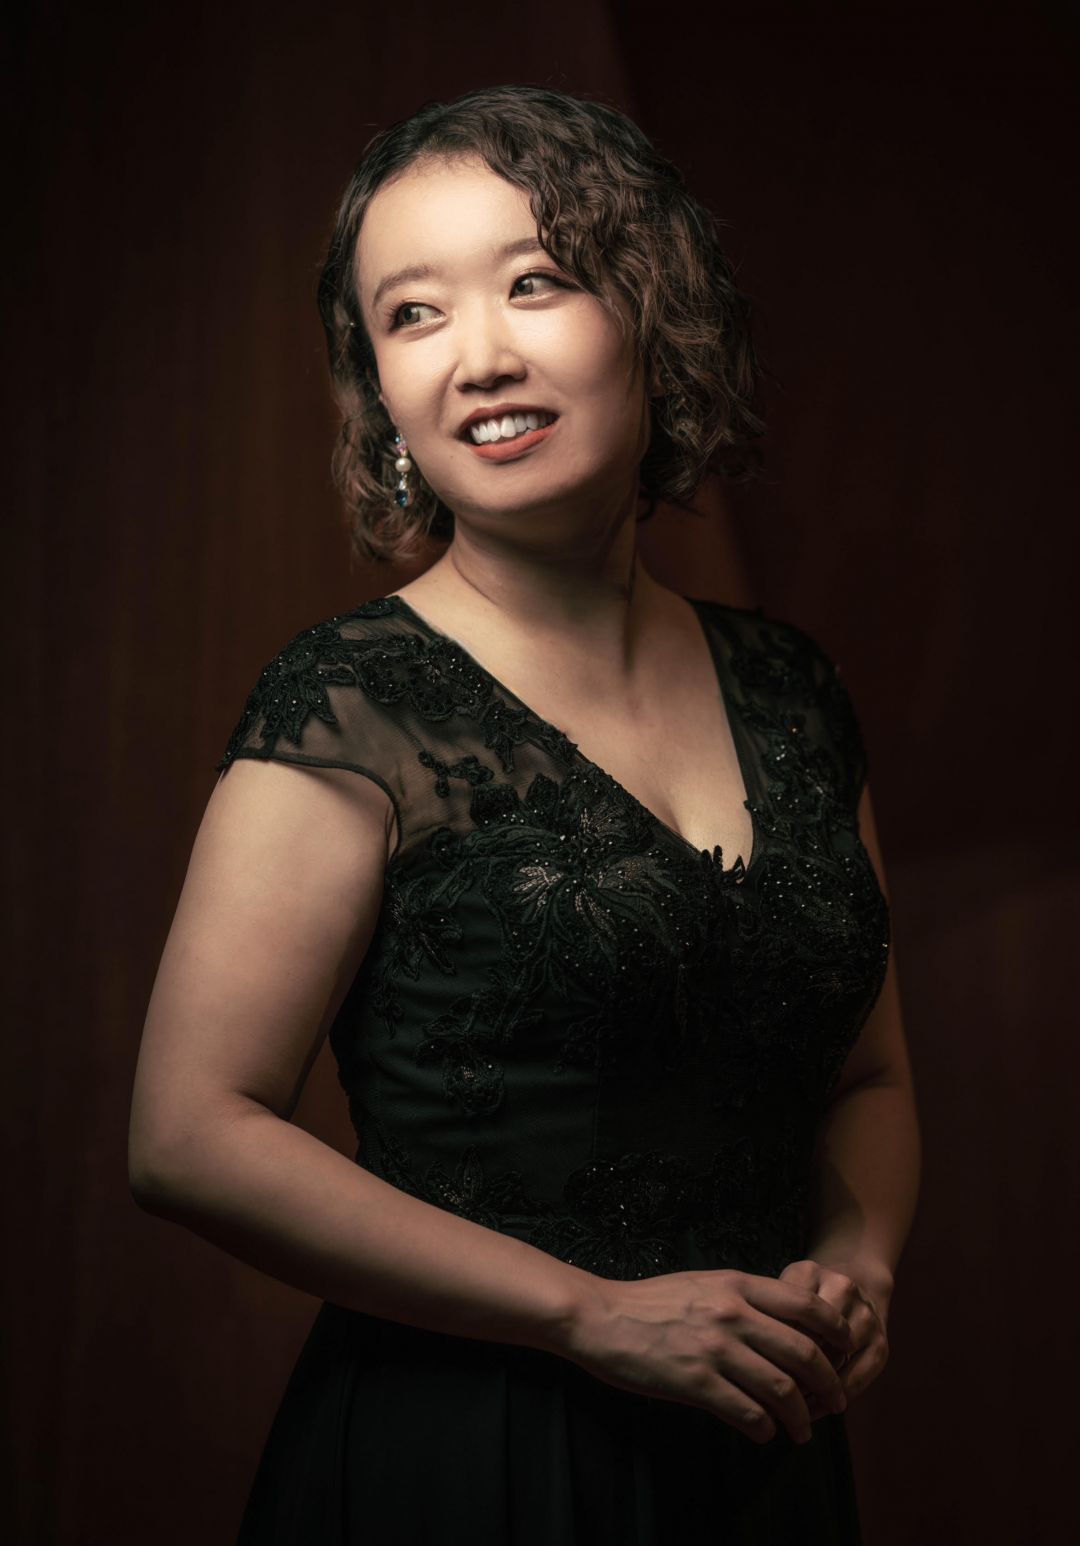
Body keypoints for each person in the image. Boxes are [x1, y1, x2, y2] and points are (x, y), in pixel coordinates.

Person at [129, 84, 920, 1545]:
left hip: (762, 1444)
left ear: (657, 317)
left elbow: (866, 1073)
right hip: (471, 1451)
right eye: (412, 315)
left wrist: (856, 1266)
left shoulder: (794, 687)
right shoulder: (352, 699)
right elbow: (186, 1132)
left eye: (536, 282)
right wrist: (585, 1314)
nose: (479, 356)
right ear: (380, 391)